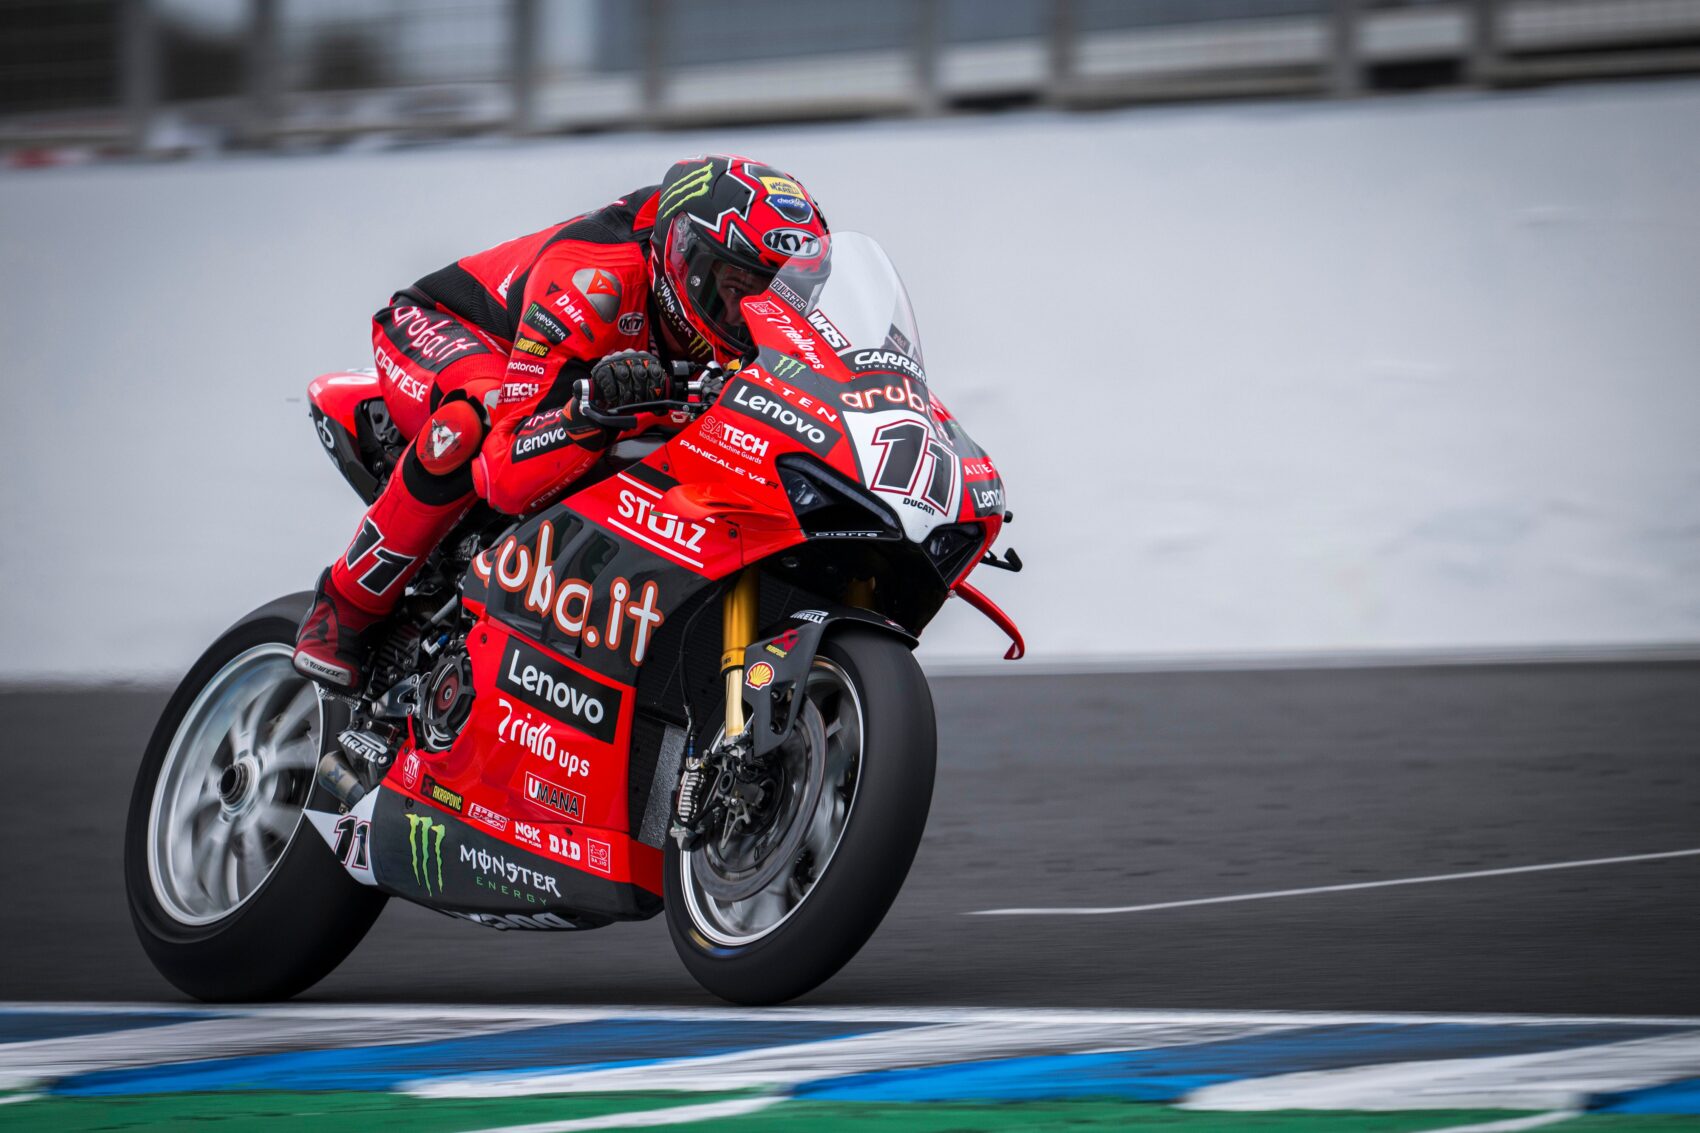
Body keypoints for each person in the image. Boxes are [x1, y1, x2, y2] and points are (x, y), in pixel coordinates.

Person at [292, 154, 832, 690]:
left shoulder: (750, 313)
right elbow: (504, 474)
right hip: (455, 335)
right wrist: (591, 412)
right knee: (468, 422)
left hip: (572, 376)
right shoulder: (592, 280)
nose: (748, 315)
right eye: (734, 288)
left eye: (777, 297)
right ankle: (344, 606)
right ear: (681, 253)